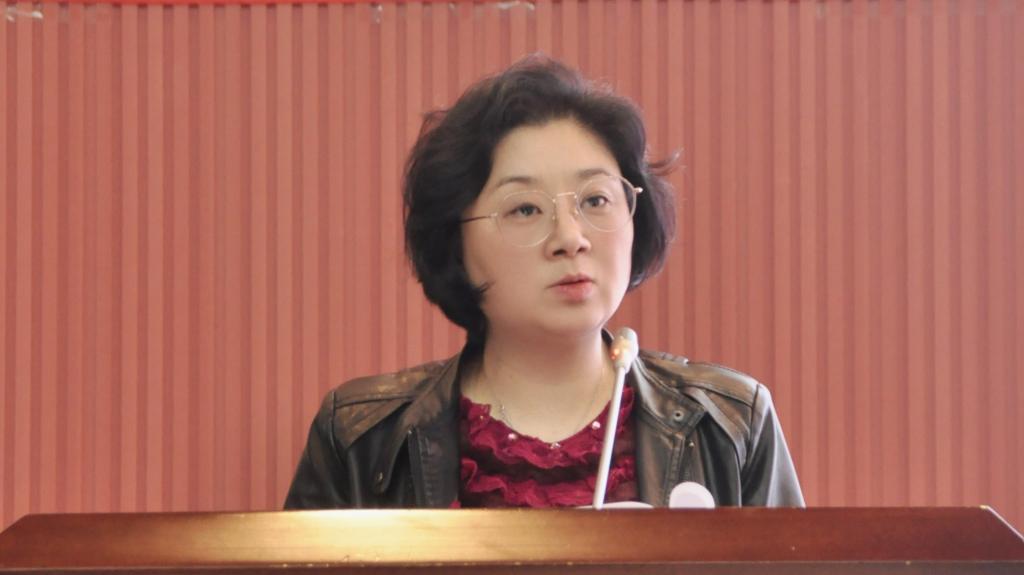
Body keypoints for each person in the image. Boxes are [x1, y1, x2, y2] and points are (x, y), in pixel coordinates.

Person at [285, 56, 803, 509]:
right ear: (455, 242)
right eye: (525, 209)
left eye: (596, 200)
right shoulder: (361, 438)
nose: (570, 238)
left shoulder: (730, 423)